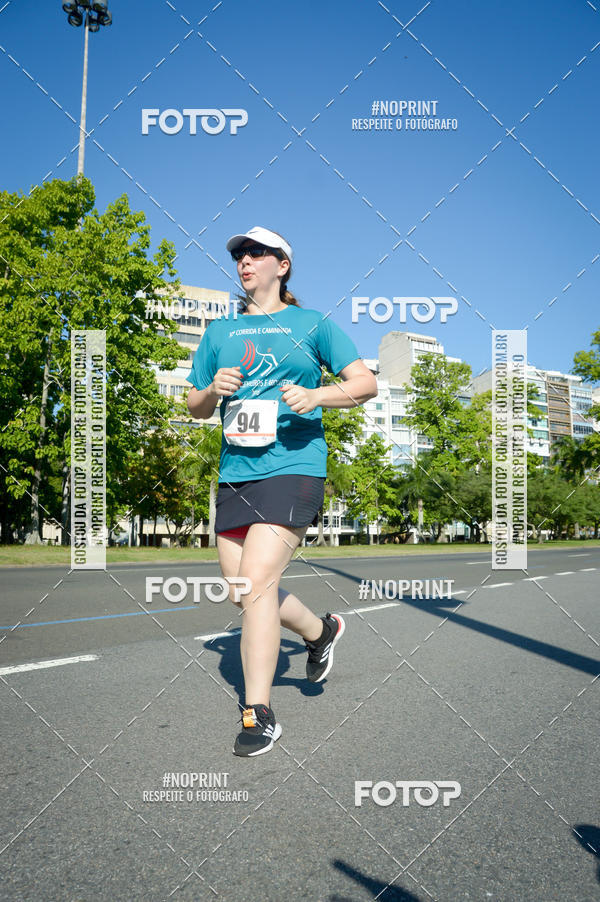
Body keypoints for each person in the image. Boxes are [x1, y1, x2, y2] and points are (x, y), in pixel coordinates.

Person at [186, 225, 377, 756]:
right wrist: (211, 391)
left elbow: (365, 384)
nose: (245, 262)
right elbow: (194, 407)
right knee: (244, 591)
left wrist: (317, 395)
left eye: (256, 253)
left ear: (282, 265)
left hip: (293, 464)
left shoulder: (311, 324)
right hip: (235, 472)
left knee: (256, 583)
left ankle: (258, 713)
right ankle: (320, 633)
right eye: (239, 256)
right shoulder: (219, 333)